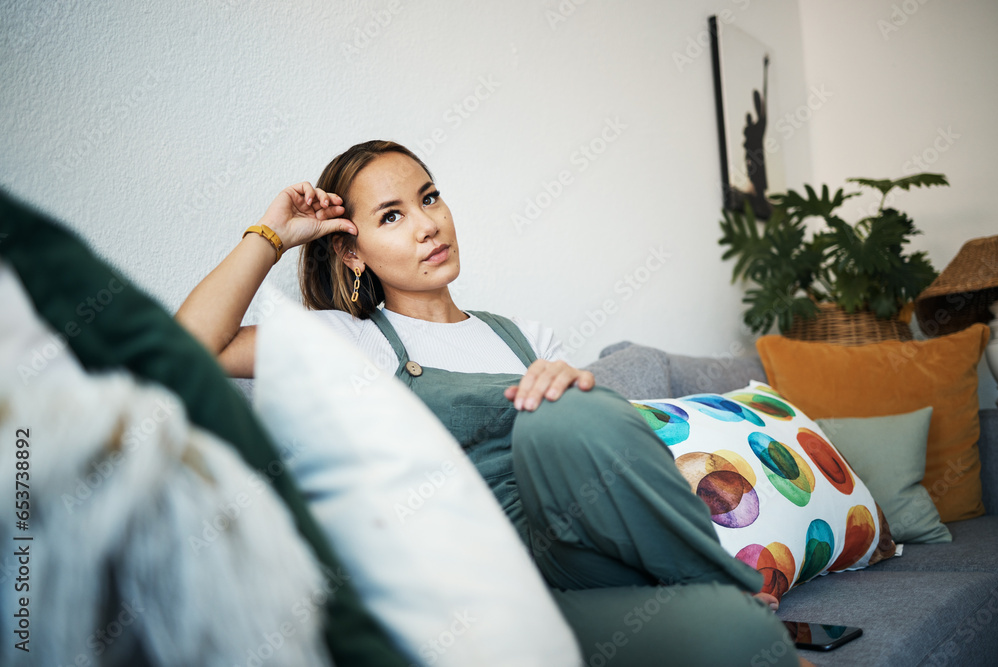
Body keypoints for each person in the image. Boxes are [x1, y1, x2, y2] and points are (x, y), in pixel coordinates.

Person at [176, 140, 810, 666]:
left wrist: (573, 390)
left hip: (585, 552)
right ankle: (732, 606)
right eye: (391, 216)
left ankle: (719, 580)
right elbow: (194, 348)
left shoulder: (525, 335)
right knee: (744, 639)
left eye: (429, 197)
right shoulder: (350, 338)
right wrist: (273, 233)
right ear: (351, 250)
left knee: (565, 406)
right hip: (493, 591)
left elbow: (611, 459)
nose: (427, 224)